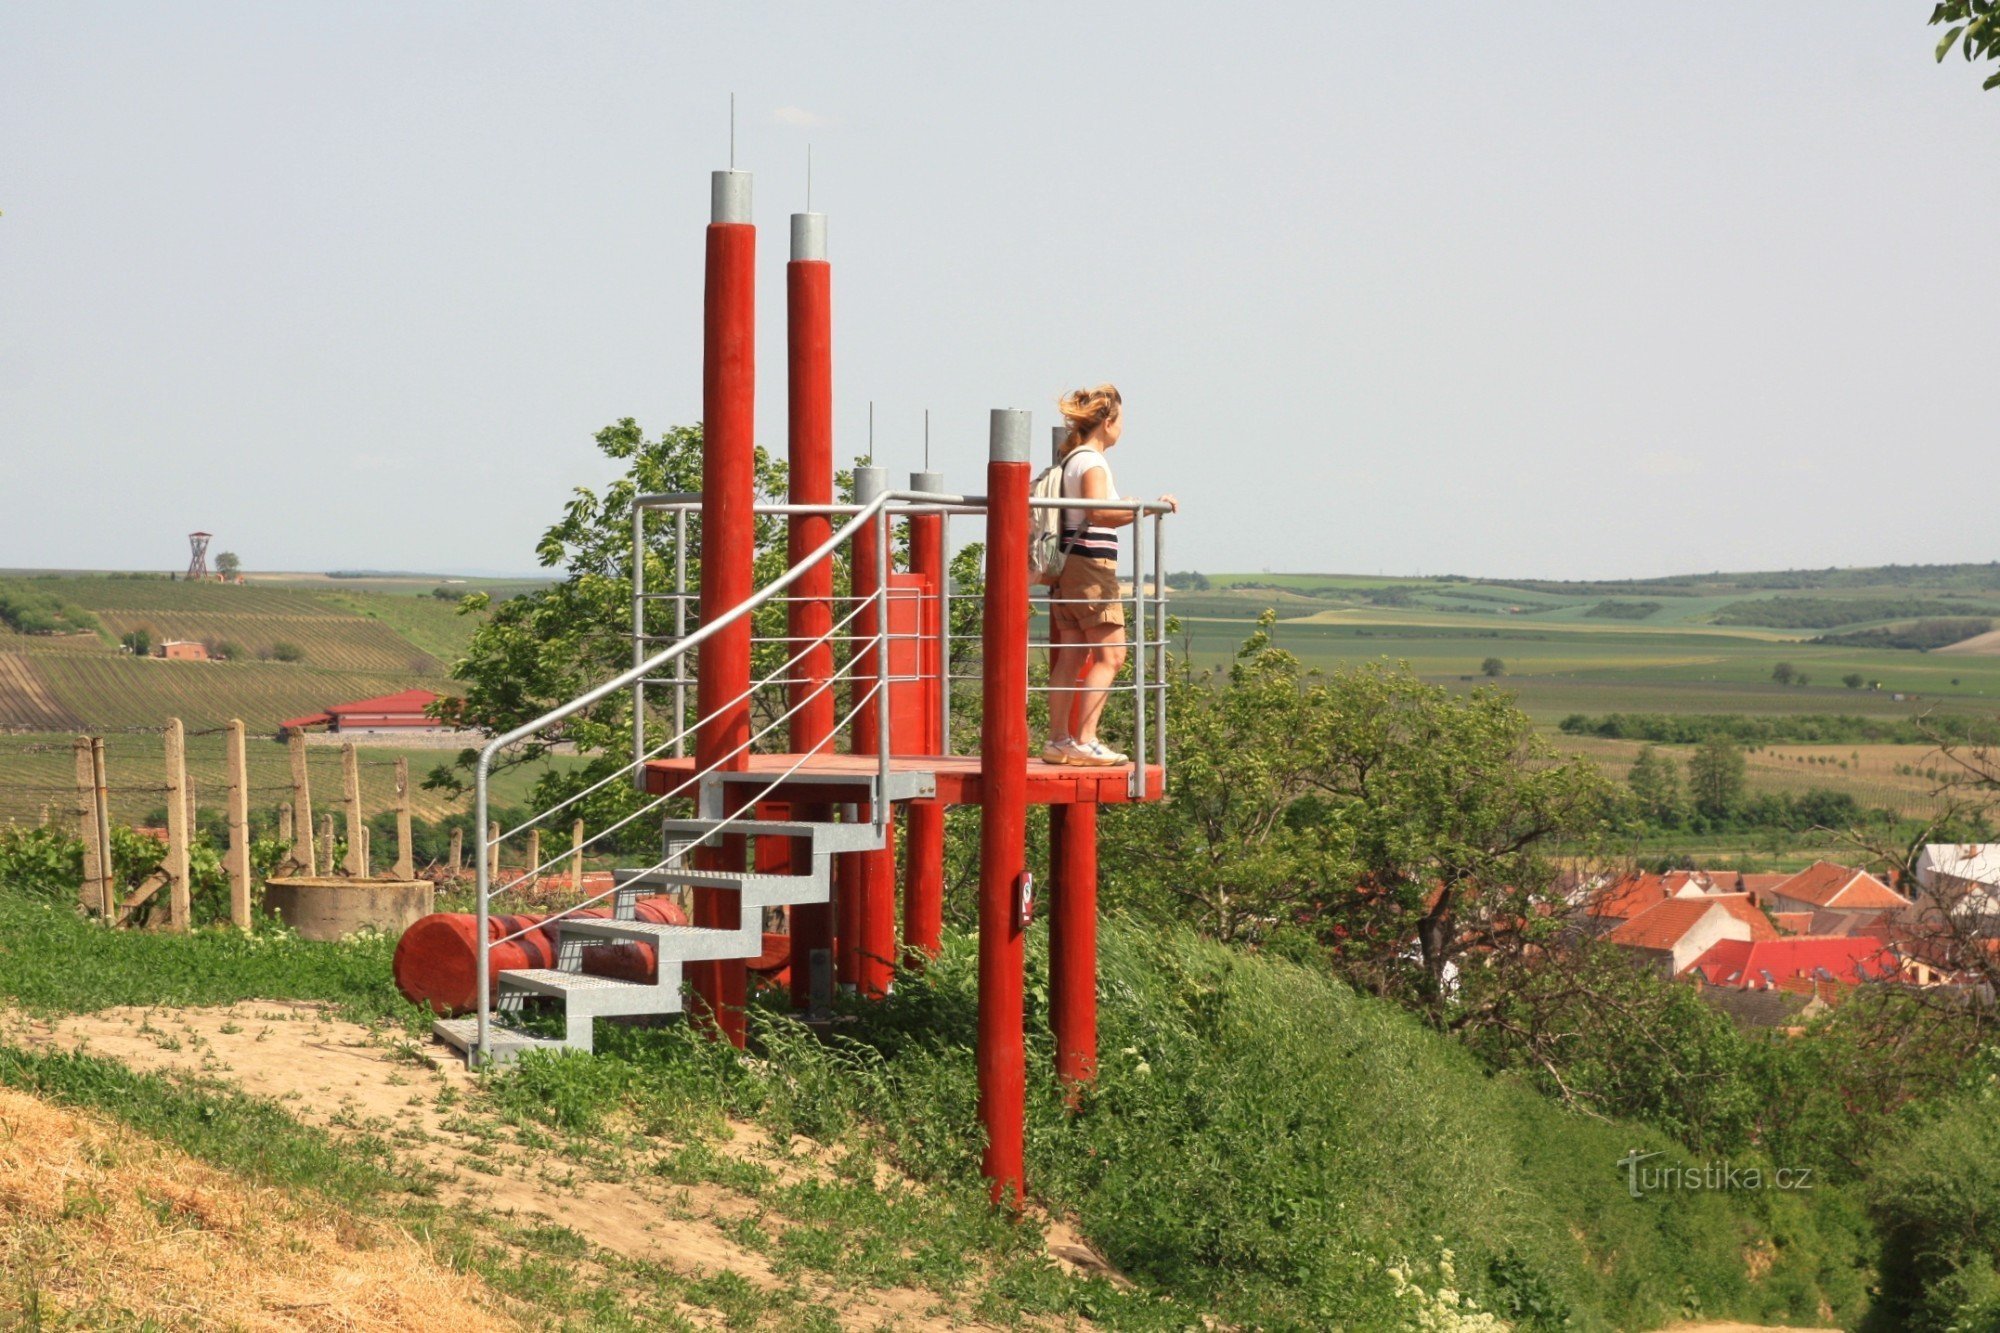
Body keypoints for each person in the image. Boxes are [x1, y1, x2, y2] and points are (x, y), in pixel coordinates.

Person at [1043, 384, 1177, 766]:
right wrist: (1145, 509)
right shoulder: (1093, 462)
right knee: (1112, 655)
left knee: (1071, 654)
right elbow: (1098, 513)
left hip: (1069, 568)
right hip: (1091, 567)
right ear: (1108, 421)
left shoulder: (1071, 459)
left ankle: (1058, 741)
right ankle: (1085, 740)